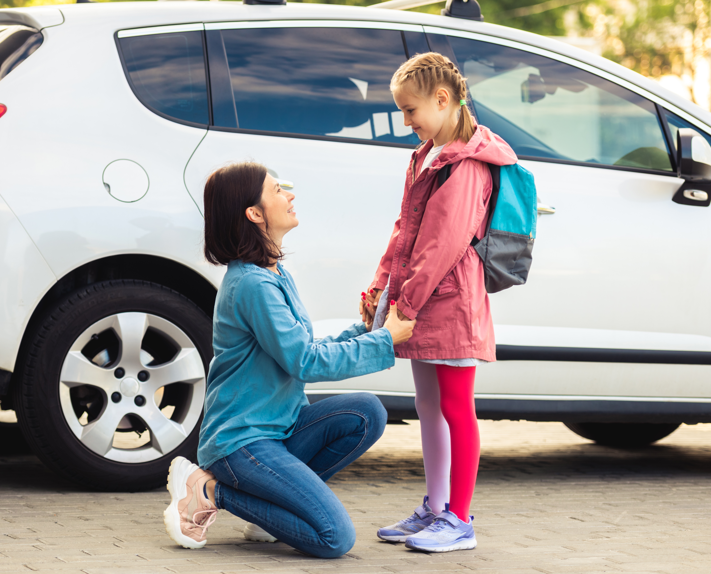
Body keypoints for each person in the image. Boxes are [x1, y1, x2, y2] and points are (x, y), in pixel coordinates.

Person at [162, 162, 417, 558]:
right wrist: (384, 341)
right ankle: (209, 489)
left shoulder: (273, 273)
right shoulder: (252, 284)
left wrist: (363, 331)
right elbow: (305, 362)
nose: (290, 196)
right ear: (255, 213)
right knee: (335, 538)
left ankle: (270, 512)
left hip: (281, 428)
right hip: (242, 441)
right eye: (278, 190)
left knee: (367, 411)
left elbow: (299, 348)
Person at [360, 52, 518, 553]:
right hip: (421, 299)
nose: (406, 122)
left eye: (411, 111)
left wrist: (405, 304)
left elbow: (444, 243)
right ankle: (435, 506)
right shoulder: (426, 155)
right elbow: (405, 230)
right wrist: (380, 287)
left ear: (443, 100)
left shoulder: (466, 164)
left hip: (449, 301)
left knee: (455, 407)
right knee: (428, 405)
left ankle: (459, 519)